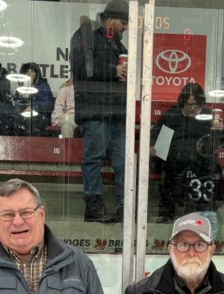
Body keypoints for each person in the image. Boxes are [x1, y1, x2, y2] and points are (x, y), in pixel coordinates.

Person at [71, 0, 130, 223]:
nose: (125, 27)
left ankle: (124, 206)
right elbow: (79, 69)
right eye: (123, 22)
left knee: (123, 162)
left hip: (116, 112)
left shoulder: (120, 48)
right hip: (95, 110)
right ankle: (94, 205)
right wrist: (113, 70)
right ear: (109, 19)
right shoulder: (85, 36)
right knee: (94, 158)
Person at [149, 83, 224, 223]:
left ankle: (205, 217)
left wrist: (222, 130)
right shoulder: (170, 117)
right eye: (189, 105)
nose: (193, 108)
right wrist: (151, 146)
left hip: (202, 166)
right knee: (167, 177)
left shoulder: (209, 116)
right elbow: (155, 136)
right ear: (182, 103)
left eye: (196, 105)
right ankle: (166, 217)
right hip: (175, 166)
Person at [15, 62, 55, 136]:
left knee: (31, 122)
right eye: (27, 72)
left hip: (39, 117)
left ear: (37, 74)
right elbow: (16, 103)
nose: (29, 74)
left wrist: (33, 107)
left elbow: (48, 103)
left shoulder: (43, 86)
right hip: (22, 116)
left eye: (32, 71)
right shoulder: (20, 88)